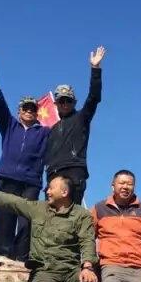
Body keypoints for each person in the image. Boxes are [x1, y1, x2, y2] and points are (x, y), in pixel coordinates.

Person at [0, 57, 50, 261]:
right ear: (19, 111)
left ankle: (21, 259)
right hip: (7, 179)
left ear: (37, 113)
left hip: (30, 183)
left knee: (27, 222)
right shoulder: (9, 125)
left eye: (32, 109)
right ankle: (1, 256)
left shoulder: (45, 133)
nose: (29, 111)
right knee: (4, 218)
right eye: (25, 108)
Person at [44, 46, 105, 204]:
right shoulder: (52, 129)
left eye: (68, 100)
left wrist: (95, 68)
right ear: (56, 104)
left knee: (72, 214)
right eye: (61, 101)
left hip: (74, 172)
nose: (65, 104)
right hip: (52, 174)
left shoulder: (81, 118)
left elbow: (93, 97)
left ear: (74, 102)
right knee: (51, 215)